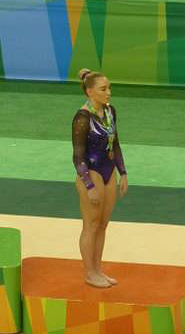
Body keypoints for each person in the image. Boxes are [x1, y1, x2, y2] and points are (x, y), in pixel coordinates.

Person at [72, 68, 128, 287]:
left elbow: (115, 143)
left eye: (109, 88)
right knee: (91, 224)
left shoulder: (110, 111)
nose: (109, 93)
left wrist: (123, 172)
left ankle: (98, 269)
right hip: (91, 173)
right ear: (89, 92)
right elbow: (77, 157)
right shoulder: (82, 118)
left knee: (103, 224)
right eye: (103, 89)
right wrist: (88, 185)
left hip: (109, 172)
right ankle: (89, 273)